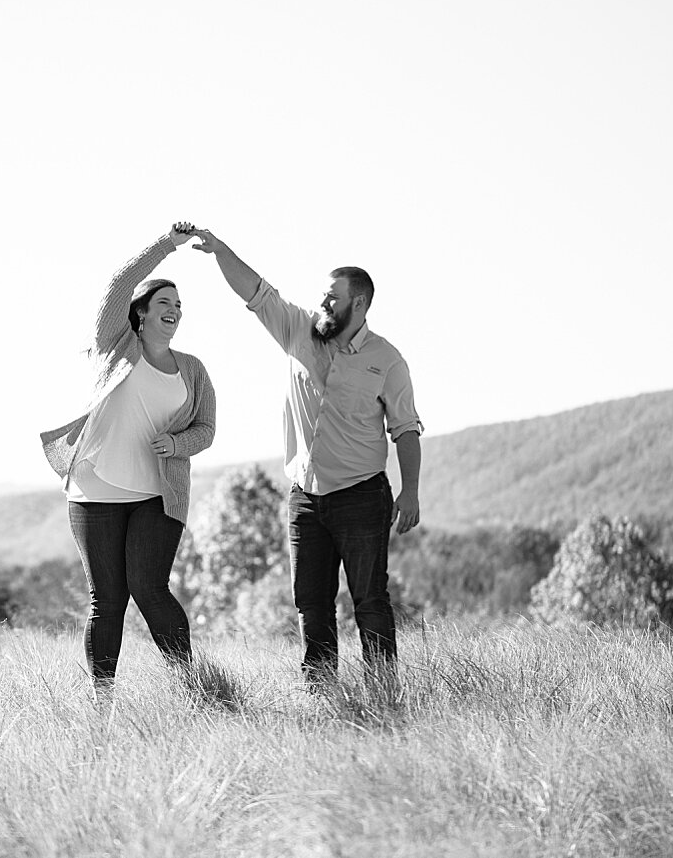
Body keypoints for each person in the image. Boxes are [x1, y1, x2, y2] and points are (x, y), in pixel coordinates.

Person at [188, 228, 422, 688]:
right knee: (310, 602)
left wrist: (410, 490)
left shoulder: (388, 360)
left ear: (359, 305)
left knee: (370, 599)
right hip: (305, 500)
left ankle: (382, 691)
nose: (323, 305)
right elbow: (256, 292)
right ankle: (322, 692)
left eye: (332, 298)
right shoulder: (299, 332)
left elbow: (406, 429)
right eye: (322, 296)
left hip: (361, 497)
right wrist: (219, 250)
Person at [40, 222, 217, 694]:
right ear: (138, 314)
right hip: (95, 490)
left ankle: (195, 688)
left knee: (150, 588)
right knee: (108, 601)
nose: (174, 312)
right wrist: (167, 246)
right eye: (164, 303)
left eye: (179, 307)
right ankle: (103, 700)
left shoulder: (193, 370)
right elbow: (119, 286)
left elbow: (206, 430)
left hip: (157, 495)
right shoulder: (114, 346)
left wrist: (177, 445)